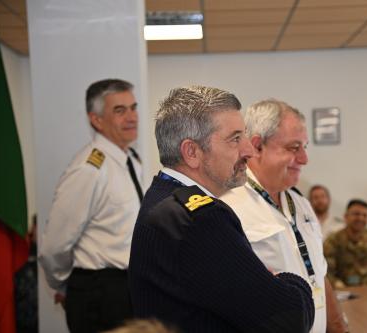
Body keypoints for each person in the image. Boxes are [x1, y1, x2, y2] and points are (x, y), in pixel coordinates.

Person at [129, 86, 315, 333]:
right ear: (192, 152)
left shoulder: (164, 197)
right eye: (235, 139)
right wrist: (291, 281)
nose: (248, 150)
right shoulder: (200, 219)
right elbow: (289, 319)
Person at [221, 99, 347, 333]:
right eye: (293, 148)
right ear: (257, 146)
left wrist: (339, 327)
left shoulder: (302, 205)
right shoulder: (228, 206)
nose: (304, 159)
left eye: (304, 147)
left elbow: (319, 275)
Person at [39, 79, 143, 333]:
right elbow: (55, 245)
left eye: (133, 107)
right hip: (100, 293)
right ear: (96, 120)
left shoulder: (129, 160)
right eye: (120, 111)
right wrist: (64, 285)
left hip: (127, 288)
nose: (132, 117)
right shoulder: (89, 169)